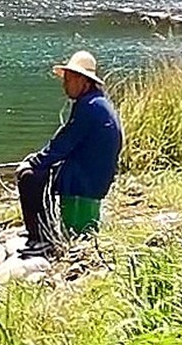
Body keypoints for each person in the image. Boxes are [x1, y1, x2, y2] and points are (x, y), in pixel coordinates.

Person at [15, 50, 122, 258]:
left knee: (28, 177)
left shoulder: (88, 107)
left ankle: (41, 240)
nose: (64, 85)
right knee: (38, 171)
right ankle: (44, 232)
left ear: (83, 81)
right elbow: (66, 142)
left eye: (69, 79)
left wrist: (33, 162)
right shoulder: (97, 103)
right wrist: (39, 159)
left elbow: (64, 143)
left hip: (84, 180)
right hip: (94, 176)